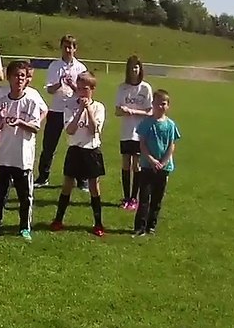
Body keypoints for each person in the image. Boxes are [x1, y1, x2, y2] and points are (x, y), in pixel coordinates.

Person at [0, 60, 47, 241]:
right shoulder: (1, 101)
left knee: (25, 196)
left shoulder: (31, 101)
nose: (19, 79)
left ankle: (24, 227)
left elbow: (35, 127)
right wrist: (0, 119)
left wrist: (20, 122)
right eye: (15, 75)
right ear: (9, 78)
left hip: (22, 156)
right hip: (3, 155)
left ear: (26, 79)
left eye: (22, 76)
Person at [49, 72, 107, 237]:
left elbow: (94, 130)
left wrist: (88, 109)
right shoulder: (69, 106)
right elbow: (70, 130)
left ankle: (98, 223)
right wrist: (79, 109)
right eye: (79, 88)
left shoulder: (99, 107)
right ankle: (58, 220)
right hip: (75, 149)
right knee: (67, 184)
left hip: (91, 150)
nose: (81, 92)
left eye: (85, 89)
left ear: (92, 89)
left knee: (94, 187)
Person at [36, 34, 87, 187]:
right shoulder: (54, 66)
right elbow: (50, 90)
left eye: (70, 47)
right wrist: (59, 83)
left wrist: (72, 85)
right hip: (56, 110)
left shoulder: (81, 68)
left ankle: (81, 179)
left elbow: (84, 92)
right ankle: (43, 177)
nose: (67, 50)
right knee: (49, 146)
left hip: (74, 111)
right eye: (65, 46)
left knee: (78, 145)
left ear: (75, 49)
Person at [133, 91, 180, 237]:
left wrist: (163, 162)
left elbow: (171, 145)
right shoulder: (146, 123)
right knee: (144, 198)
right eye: (157, 103)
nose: (160, 106)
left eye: (163, 104)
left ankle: (151, 226)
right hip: (147, 166)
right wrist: (152, 160)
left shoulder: (170, 125)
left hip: (164, 167)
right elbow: (142, 144)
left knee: (157, 199)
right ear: (152, 104)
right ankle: (140, 227)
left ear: (168, 106)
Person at [114, 56, 153, 210]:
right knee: (125, 164)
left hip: (140, 132)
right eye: (131, 68)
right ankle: (125, 197)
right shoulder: (122, 87)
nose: (133, 71)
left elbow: (150, 112)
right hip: (126, 132)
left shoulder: (145, 88)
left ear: (140, 69)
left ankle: (134, 198)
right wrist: (123, 111)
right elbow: (117, 111)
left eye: (136, 67)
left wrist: (132, 111)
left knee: (137, 165)